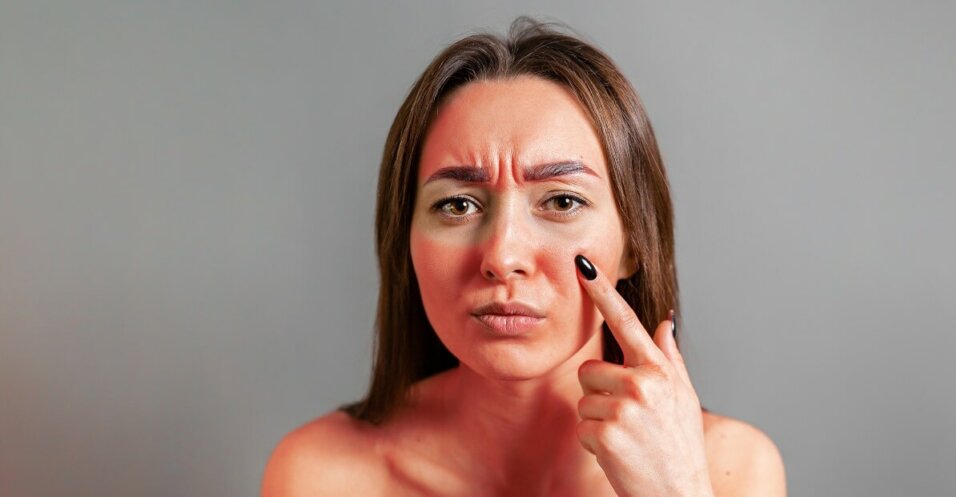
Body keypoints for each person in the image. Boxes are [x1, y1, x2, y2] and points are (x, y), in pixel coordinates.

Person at [261, 17, 786, 497]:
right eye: (458, 204)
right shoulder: (321, 474)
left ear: (634, 245)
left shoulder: (730, 469)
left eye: (562, 201)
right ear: (405, 242)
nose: (503, 255)